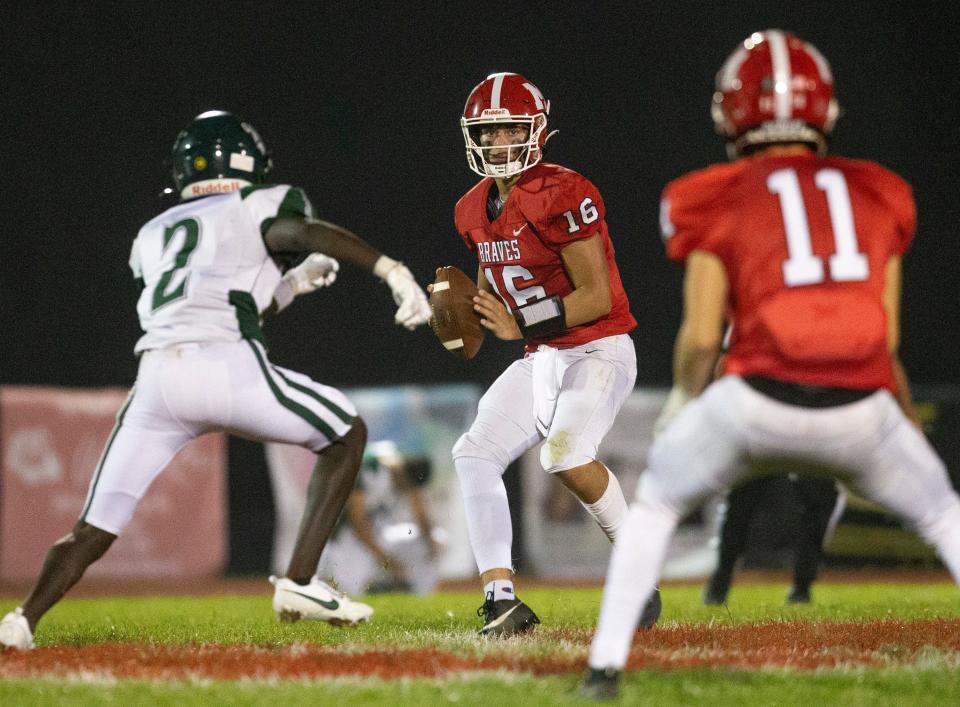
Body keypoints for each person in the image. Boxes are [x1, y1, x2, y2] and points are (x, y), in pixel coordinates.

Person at [582, 30, 960, 698]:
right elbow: (885, 336)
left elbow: (703, 336)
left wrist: (683, 404)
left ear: (732, 113)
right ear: (826, 110)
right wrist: (902, 423)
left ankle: (604, 668)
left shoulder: (709, 193)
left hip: (754, 399)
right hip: (860, 408)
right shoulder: (882, 190)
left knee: (657, 504)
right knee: (942, 515)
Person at [0, 110, 433, 650]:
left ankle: (22, 620)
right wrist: (389, 269)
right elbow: (300, 232)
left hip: (157, 381)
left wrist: (292, 284)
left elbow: (217, 297)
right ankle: (299, 583)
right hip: (226, 366)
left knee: (94, 526)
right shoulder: (257, 203)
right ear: (247, 160)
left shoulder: (153, 233)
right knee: (345, 432)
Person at [450, 72, 660, 636]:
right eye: (487, 133)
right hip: (541, 356)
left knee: (564, 455)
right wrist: (455, 314)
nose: (497, 144)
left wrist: (516, 321)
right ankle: (501, 601)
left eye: (509, 130)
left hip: (598, 349)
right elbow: (487, 297)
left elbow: (596, 296)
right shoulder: (471, 209)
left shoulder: (564, 191)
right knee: (473, 454)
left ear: (537, 130)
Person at [316, 441, 443, 595]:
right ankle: (382, 584)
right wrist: (385, 559)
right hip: (347, 536)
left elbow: (420, 511)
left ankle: (419, 596)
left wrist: (430, 541)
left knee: (439, 539)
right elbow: (358, 521)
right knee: (349, 590)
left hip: (379, 531)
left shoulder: (399, 464)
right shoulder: (370, 468)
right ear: (402, 475)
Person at [703, 474, 847, 605]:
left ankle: (802, 585)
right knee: (739, 502)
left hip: (804, 447)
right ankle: (721, 579)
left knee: (819, 495)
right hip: (764, 449)